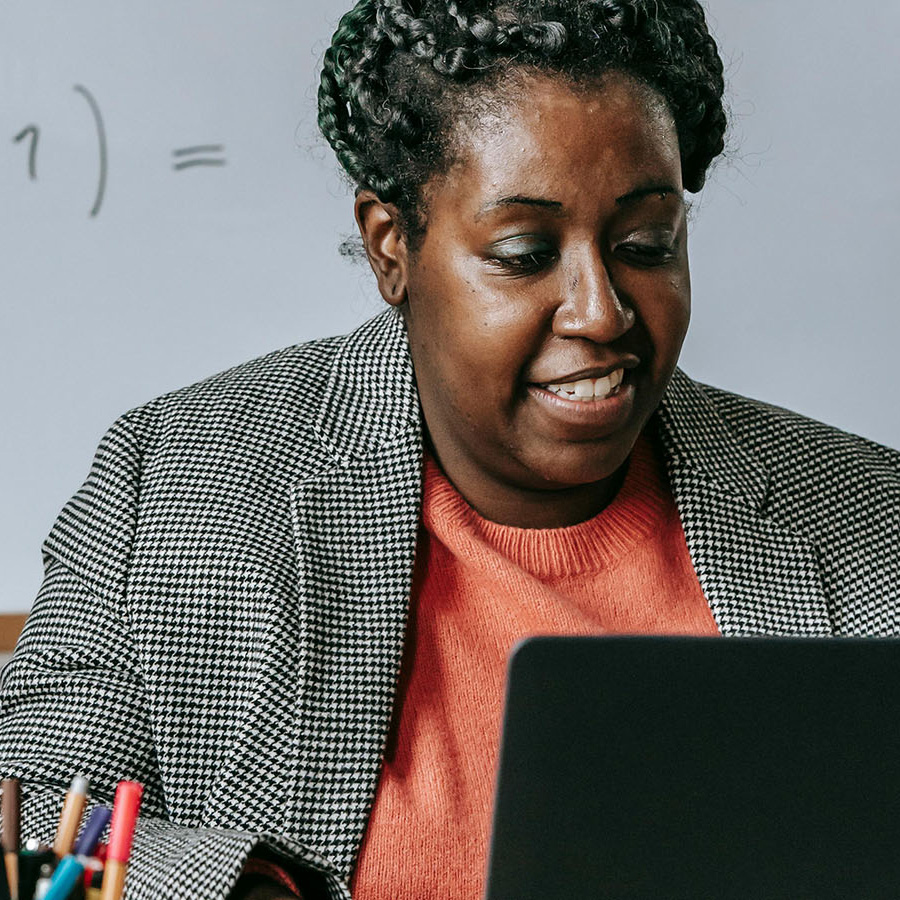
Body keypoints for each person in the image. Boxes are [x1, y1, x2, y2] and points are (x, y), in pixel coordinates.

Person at [1, 1, 898, 898]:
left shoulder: (869, 512)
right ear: (392, 248)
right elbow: (28, 808)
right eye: (524, 253)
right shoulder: (176, 480)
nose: (600, 311)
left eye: (645, 243)